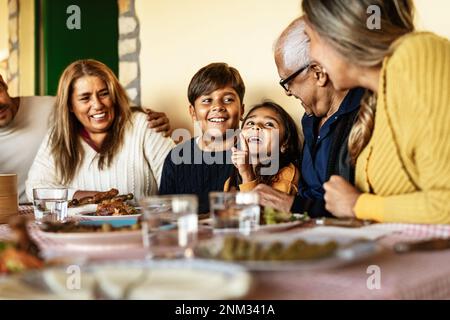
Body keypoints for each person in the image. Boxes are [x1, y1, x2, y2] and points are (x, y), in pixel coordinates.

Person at [302, 0, 450, 224]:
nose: (311, 55)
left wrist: (358, 205)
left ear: (340, 32)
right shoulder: (376, 98)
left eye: (309, 39)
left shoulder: (417, 54)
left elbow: (445, 203)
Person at [252, 17, 365, 217]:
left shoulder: (365, 115)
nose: (287, 92)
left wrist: (292, 205)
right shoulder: (310, 120)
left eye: (287, 81)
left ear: (318, 73)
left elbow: (358, 208)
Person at [0, 74, 171, 203]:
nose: (97, 105)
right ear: (70, 106)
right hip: (49, 219)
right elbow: (36, 188)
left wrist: (142, 116)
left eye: (104, 94)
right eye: (85, 98)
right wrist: (94, 198)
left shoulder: (144, 124)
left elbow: (177, 181)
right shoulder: (59, 134)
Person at [159, 62, 245, 214]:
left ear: (242, 110)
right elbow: (165, 215)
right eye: (207, 100)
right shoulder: (176, 158)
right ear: (193, 112)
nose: (217, 106)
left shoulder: (255, 152)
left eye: (228, 99)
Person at [224, 101, 300, 196]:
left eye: (269, 124)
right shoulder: (231, 180)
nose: (256, 126)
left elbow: (264, 210)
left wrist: (247, 174)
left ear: (285, 144)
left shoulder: (287, 175)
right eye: (250, 123)